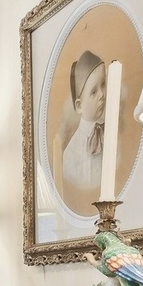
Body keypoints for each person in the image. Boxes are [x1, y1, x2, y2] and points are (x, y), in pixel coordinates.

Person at [59, 49, 107, 208]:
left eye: (104, 84)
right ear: (79, 106)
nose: (102, 94)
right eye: (93, 92)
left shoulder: (111, 136)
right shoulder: (71, 153)